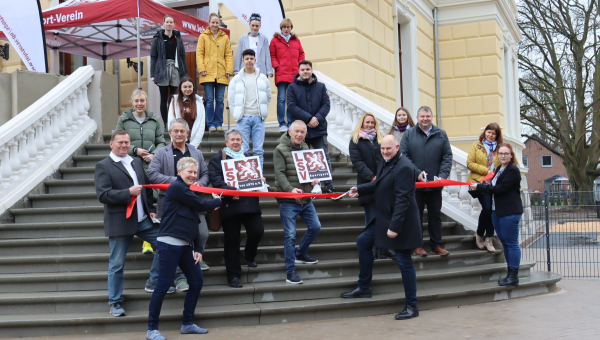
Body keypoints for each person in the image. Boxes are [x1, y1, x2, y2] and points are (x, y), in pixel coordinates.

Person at [94, 130, 174, 318]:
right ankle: (115, 302)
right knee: (117, 265)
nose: (124, 146)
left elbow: (145, 189)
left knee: (166, 244)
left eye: (127, 142)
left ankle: (153, 281)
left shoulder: (136, 161)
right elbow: (103, 195)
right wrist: (127, 192)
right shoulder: (103, 166)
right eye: (120, 142)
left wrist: (151, 208)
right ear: (111, 144)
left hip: (143, 220)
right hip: (120, 222)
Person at [343, 135, 423, 321]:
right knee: (363, 241)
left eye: (388, 149)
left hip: (400, 221)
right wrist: (360, 189)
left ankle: (412, 305)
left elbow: (403, 200)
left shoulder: (404, 167)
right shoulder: (385, 161)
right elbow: (380, 184)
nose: (385, 152)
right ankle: (364, 287)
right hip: (385, 216)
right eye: (383, 149)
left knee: (404, 261)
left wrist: (394, 227)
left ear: (396, 147)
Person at [146, 157, 221, 340]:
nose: (193, 175)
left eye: (195, 172)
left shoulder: (188, 191)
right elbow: (202, 205)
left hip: (186, 247)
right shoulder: (178, 187)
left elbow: (194, 221)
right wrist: (220, 200)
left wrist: (199, 248)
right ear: (179, 173)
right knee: (162, 285)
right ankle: (152, 329)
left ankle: (187, 324)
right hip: (169, 244)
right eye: (190, 172)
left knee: (196, 282)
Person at [148, 118, 212, 281]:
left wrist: (199, 183)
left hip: (194, 202)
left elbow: (205, 174)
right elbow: (152, 175)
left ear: (187, 133)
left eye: (182, 131)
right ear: (170, 133)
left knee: (202, 233)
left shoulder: (196, 152)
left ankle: (195, 256)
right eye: (175, 131)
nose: (179, 134)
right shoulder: (161, 153)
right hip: (171, 206)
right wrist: (178, 183)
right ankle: (179, 276)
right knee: (175, 241)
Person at [208, 129, 265, 288]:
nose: (235, 142)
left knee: (257, 231)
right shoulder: (217, 159)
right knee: (232, 241)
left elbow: (255, 181)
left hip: (250, 205)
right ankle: (233, 275)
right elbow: (216, 181)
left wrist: (260, 180)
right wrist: (229, 191)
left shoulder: (249, 159)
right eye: (232, 140)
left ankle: (248, 254)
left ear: (242, 142)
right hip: (230, 206)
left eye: (238, 140)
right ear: (226, 142)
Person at [116, 89, 166, 256]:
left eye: (142, 101)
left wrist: (154, 155)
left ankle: (148, 239)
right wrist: (135, 150)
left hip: (151, 165)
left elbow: (161, 141)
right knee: (137, 199)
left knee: (152, 199)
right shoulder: (124, 119)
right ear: (132, 102)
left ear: (146, 102)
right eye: (136, 100)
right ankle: (135, 235)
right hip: (131, 164)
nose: (139, 104)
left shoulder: (153, 119)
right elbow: (117, 141)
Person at [400, 106, 452, 257]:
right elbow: (404, 156)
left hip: (435, 185)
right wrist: (416, 173)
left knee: (435, 216)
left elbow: (447, 157)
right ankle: (417, 245)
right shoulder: (409, 134)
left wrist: (442, 175)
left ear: (431, 117)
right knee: (415, 216)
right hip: (415, 185)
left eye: (428, 116)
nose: (425, 119)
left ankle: (436, 245)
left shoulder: (441, 134)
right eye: (422, 116)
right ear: (417, 118)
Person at [273, 120, 321, 284]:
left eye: (302, 132)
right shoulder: (280, 149)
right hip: (288, 200)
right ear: (290, 132)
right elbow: (279, 173)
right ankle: (290, 272)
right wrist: (289, 189)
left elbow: (308, 172)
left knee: (315, 226)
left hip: (305, 198)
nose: (299, 135)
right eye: (297, 132)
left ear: (305, 134)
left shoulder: (306, 149)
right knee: (290, 235)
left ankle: (301, 253)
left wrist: (314, 180)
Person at [470, 143, 523, 287]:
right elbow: (494, 186)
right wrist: (483, 184)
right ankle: (510, 273)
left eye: (506, 153)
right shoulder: (500, 169)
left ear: (511, 155)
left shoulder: (513, 170)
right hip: (496, 211)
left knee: (511, 243)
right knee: (505, 243)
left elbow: (500, 189)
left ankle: (513, 276)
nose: (503, 156)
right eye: (501, 153)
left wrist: (481, 187)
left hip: (509, 212)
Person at [349, 113, 393, 259]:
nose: (369, 125)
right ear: (362, 123)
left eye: (372, 123)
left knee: (386, 217)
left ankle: (385, 249)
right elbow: (358, 163)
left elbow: (387, 158)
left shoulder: (380, 139)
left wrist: (382, 177)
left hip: (383, 184)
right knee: (371, 219)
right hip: (367, 185)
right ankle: (372, 249)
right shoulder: (355, 140)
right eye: (367, 122)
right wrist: (372, 177)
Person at [286, 60, 335, 193]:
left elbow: (326, 105)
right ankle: (304, 187)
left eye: (307, 69)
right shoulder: (292, 88)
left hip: (319, 129)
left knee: (323, 158)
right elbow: (291, 106)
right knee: (301, 159)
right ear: (299, 71)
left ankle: (329, 186)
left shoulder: (321, 86)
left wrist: (317, 119)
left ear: (311, 70)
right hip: (301, 131)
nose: (305, 72)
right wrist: (308, 119)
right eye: (302, 70)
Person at [228, 49, 272, 168]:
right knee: (243, 150)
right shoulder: (236, 79)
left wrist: (262, 110)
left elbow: (268, 96)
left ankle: (260, 180)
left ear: (255, 60)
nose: (249, 61)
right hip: (243, 118)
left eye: (251, 59)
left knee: (259, 150)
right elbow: (231, 99)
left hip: (258, 117)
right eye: (247, 59)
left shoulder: (263, 78)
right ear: (243, 61)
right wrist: (236, 114)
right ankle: (246, 179)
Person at [466, 123, 502, 252]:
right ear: (485, 132)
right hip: (480, 182)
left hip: (495, 184)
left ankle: (489, 239)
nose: (490, 135)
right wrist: (486, 171)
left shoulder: (499, 148)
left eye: (493, 133)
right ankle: (480, 234)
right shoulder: (477, 146)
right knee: (487, 208)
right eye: (489, 132)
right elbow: (470, 163)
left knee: (493, 210)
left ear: (497, 135)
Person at [196, 12, 233, 132]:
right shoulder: (203, 36)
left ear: (219, 24)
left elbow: (228, 55)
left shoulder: (225, 37)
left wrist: (229, 70)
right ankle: (211, 124)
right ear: (209, 23)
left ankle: (219, 123)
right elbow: (199, 53)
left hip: (222, 73)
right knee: (210, 100)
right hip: (207, 73)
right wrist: (201, 68)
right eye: (213, 22)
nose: (215, 25)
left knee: (220, 100)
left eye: (217, 23)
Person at [150, 14, 188, 127]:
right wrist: (153, 74)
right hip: (162, 69)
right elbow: (153, 57)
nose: (169, 24)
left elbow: (182, 56)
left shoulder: (178, 38)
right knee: (164, 98)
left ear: (174, 24)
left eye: (171, 22)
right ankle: (166, 124)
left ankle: (174, 123)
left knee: (174, 98)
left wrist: (185, 74)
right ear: (163, 23)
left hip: (175, 69)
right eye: (167, 22)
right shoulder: (158, 38)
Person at [270, 18, 305, 132]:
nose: (286, 29)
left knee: (292, 100)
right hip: (281, 74)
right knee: (281, 99)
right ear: (281, 28)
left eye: (288, 27)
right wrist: (276, 66)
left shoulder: (296, 40)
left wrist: (300, 67)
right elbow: (272, 55)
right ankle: (282, 123)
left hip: (294, 75)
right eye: (284, 27)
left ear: (291, 28)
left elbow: (301, 54)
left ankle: (291, 123)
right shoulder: (275, 40)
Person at [167, 76, 206, 149]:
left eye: (190, 87)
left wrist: (193, 145)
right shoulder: (174, 101)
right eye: (185, 87)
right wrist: (174, 139)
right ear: (180, 88)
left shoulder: (199, 102)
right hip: (179, 136)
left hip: (194, 137)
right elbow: (171, 120)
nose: (187, 89)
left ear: (193, 88)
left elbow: (201, 124)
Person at [233, 13, 273, 78]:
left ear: (260, 26)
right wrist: (236, 70)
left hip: (261, 71)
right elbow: (239, 55)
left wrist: (269, 71)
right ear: (249, 24)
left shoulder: (264, 39)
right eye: (253, 25)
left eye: (257, 26)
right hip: (246, 70)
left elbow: (267, 55)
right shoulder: (242, 39)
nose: (254, 28)